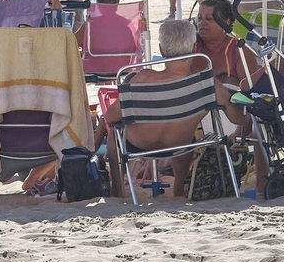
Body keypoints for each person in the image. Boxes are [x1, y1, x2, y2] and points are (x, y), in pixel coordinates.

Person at [102, 20, 247, 199]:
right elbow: (237, 118)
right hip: (181, 145)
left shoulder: (142, 79)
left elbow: (110, 117)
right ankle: (178, 188)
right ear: (195, 48)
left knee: (114, 135)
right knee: (188, 133)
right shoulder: (207, 85)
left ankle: (117, 189)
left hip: (139, 145)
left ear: (162, 50)